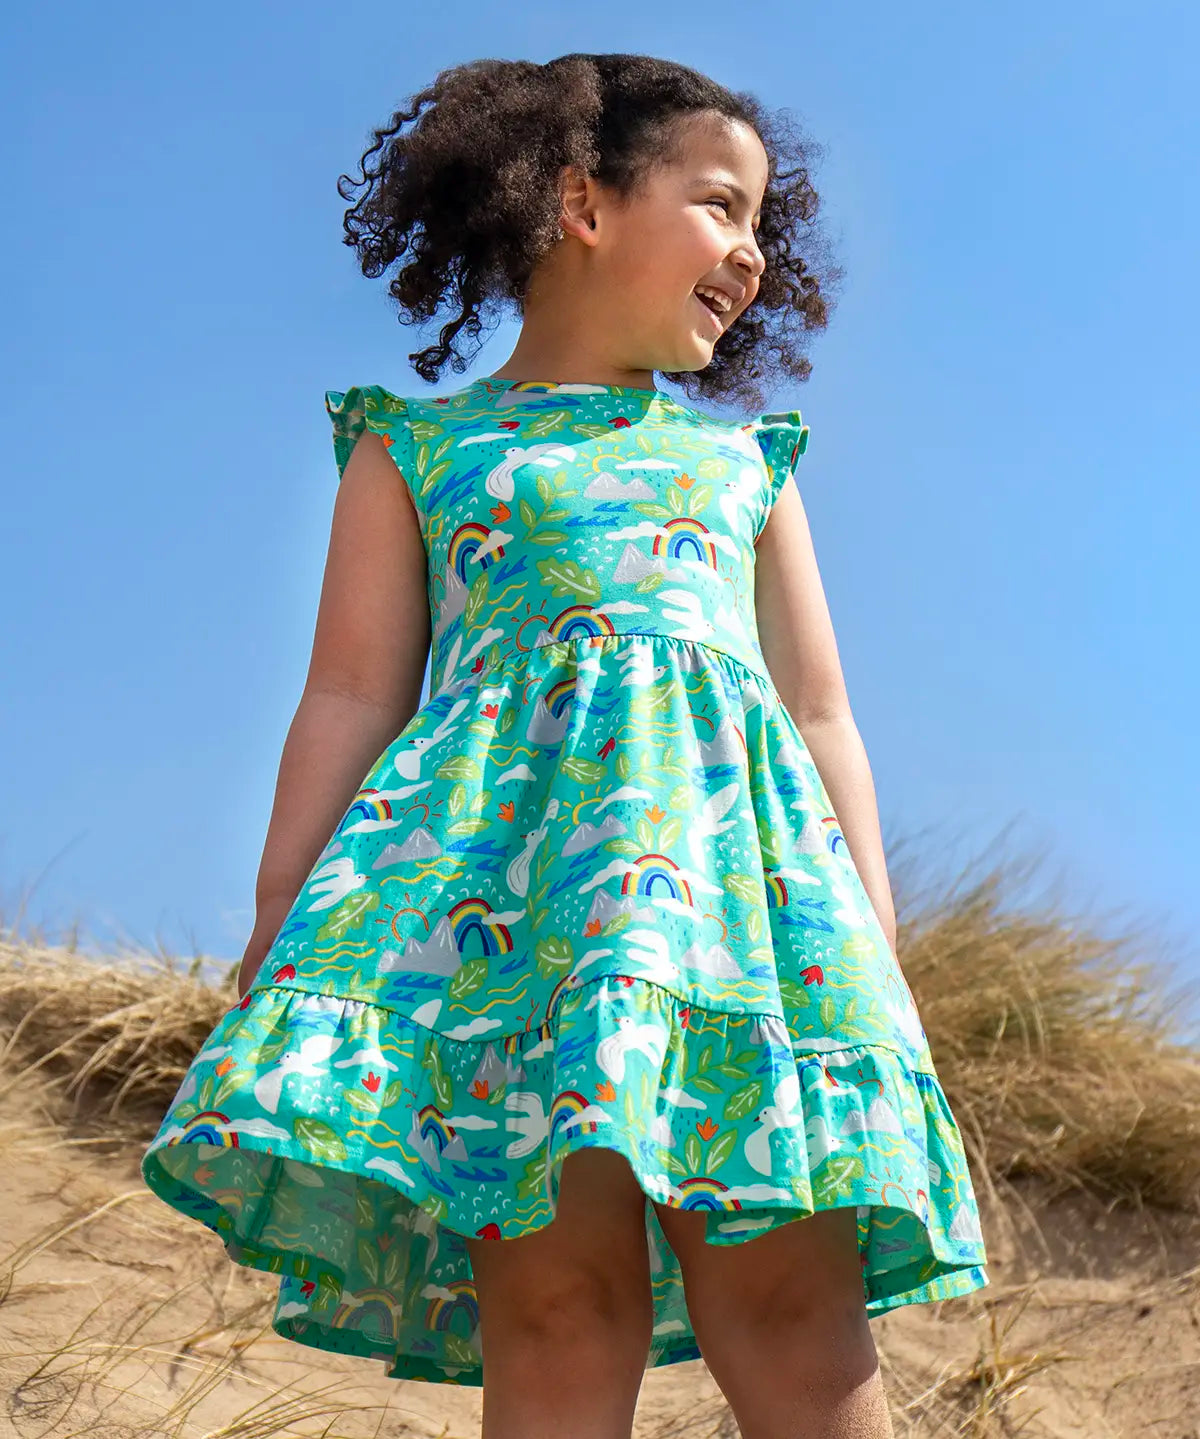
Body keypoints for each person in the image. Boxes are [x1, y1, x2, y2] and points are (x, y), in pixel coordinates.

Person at [140, 52, 988, 1439]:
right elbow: (352, 694)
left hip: (744, 915)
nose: (753, 256)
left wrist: (872, 945)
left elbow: (821, 712)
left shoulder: (744, 462)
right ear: (583, 202)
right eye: (720, 207)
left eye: (765, 227)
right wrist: (284, 910)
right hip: (512, 927)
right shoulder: (415, 449)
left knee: (789, 1305)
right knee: (552, 1306)